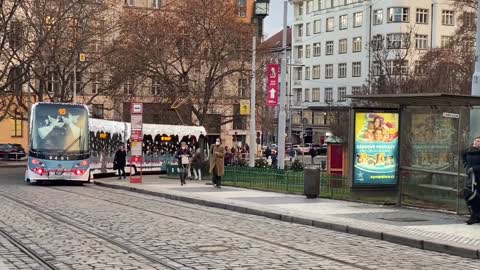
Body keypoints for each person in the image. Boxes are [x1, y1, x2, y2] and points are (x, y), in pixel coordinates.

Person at [462, 136, 480, 224]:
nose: (477, 142)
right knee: (469, 195)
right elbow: (464, 157)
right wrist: (466, 166)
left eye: (479, 141)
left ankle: (475, 216)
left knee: (476, 197)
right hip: (470, 177)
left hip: (478, 177)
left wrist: (474, 168)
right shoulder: (468, 150)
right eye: (476, 141)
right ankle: (474, 215)